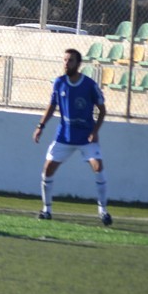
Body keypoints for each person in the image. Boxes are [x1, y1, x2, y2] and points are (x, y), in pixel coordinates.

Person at [33, 48, 112, 225]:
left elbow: (102, 110)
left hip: (86, 137)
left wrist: (95, 131)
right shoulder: (59, 82)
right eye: (65, 60)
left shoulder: (89, 85)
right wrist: (40, 126)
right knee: (47, 169)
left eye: (70, 60)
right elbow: (52, 106)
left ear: (78, 64)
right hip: (65, 136)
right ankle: (46, 210)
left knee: (98, 167)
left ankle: (103, 211)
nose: (66, 64)